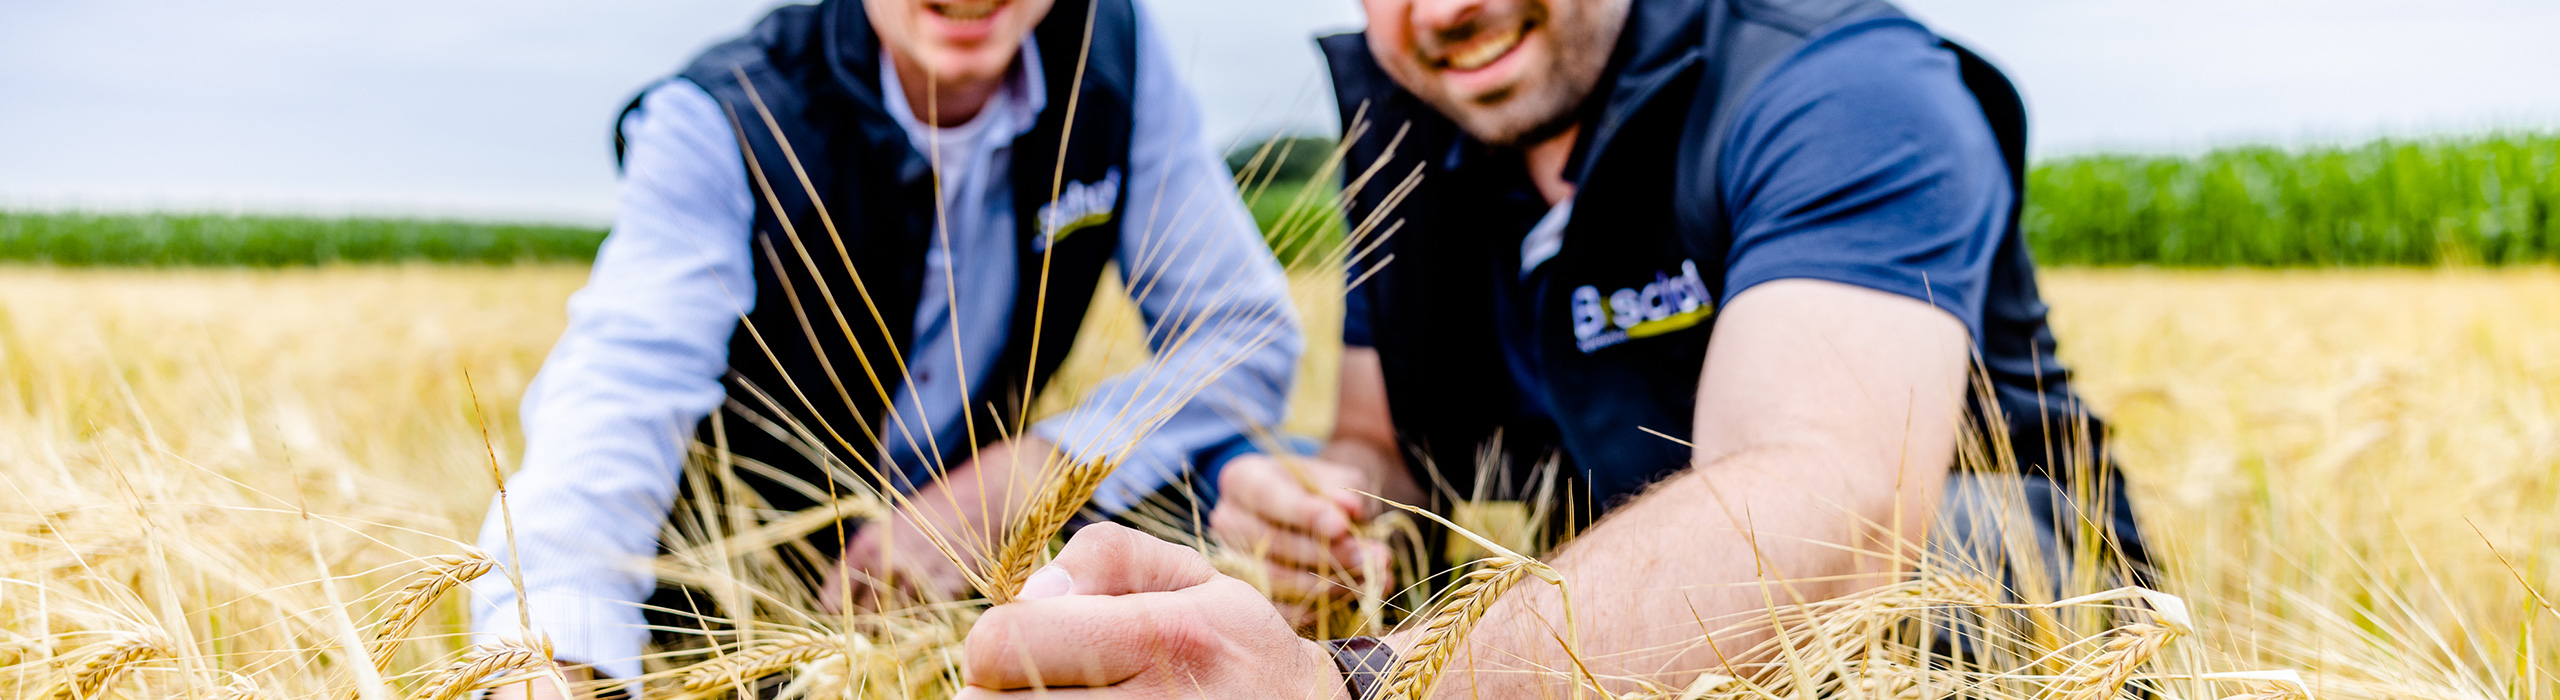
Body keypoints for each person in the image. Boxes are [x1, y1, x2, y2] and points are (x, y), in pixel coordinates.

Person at [954, 0, 2151, 697]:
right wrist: (1316, 510)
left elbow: (1822, 501)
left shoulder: (1837, 84)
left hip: (1996, 599)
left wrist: (1360, 682)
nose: (1440, 15)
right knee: (1159, 510)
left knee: (1956, 555)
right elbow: (1377, 439)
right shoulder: (1405, 128)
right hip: (1615, 638)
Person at [465, 0, 1301, 692]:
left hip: (988, 566)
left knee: (1272, 488)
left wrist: (1022, 475)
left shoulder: (1114, 52)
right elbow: (613, 407)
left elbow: (1242, 333)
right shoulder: (720, 115)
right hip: (750, 589)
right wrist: (552, 662)